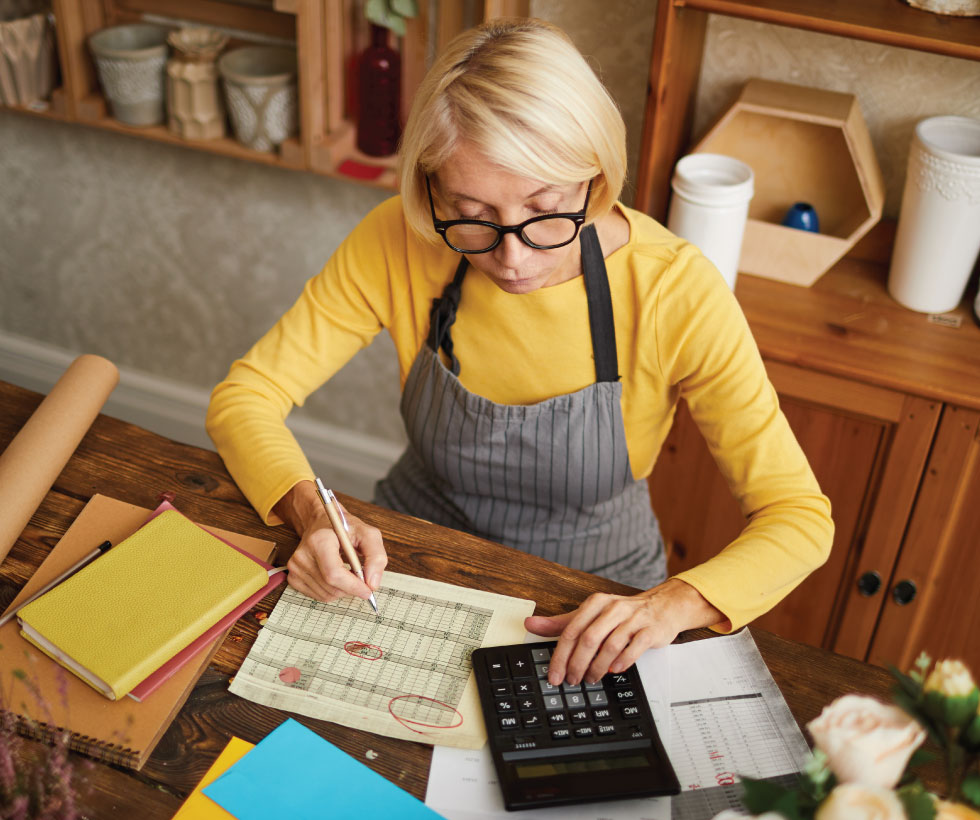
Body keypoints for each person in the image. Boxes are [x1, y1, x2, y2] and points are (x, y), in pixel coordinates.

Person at [206, 18, 833, 689]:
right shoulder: (396, 240)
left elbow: (798, 518)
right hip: (413, 561)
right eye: (472, 215)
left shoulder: (676, 290)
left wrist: (672, 604)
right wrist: (313, 513)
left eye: (544, 210)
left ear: (595, 176)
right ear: (431, 192)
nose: (511, 257)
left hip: (595, 596)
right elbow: (245, 399)